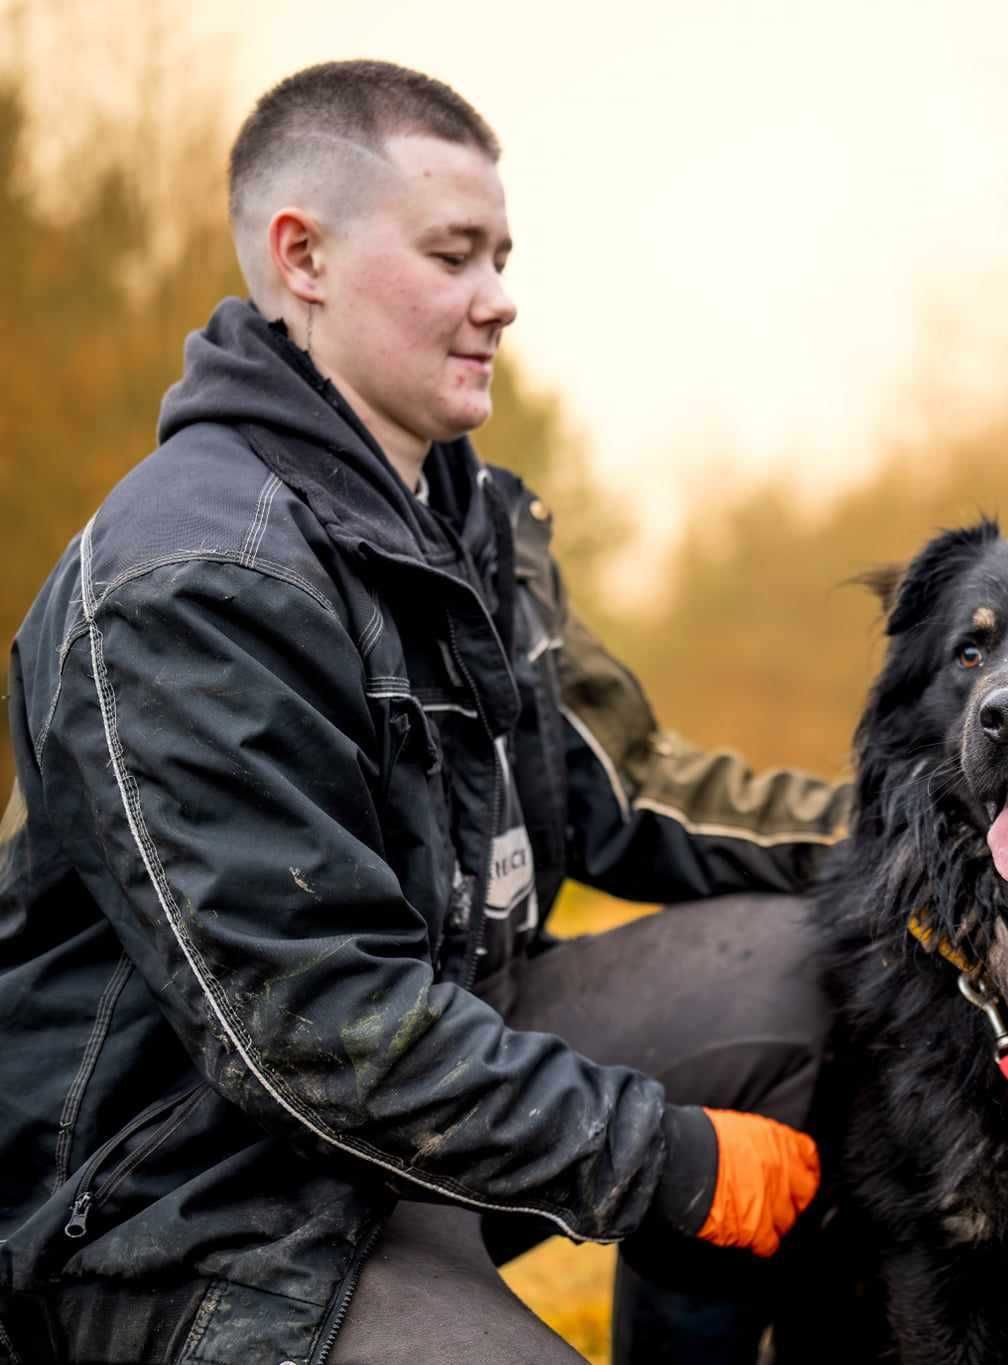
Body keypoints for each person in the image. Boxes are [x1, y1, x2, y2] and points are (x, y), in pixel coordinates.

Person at [0, 60, 847, 1364]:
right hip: (196, 1213)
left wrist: (923, 831)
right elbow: (321, 1029)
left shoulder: (469, 524)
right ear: (304, 259)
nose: (500, 299)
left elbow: (633, 786)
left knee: (813, 968)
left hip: (428, 1116)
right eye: (455, 254)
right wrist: (666, 1158)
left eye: (503, 255)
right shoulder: (192, 580)